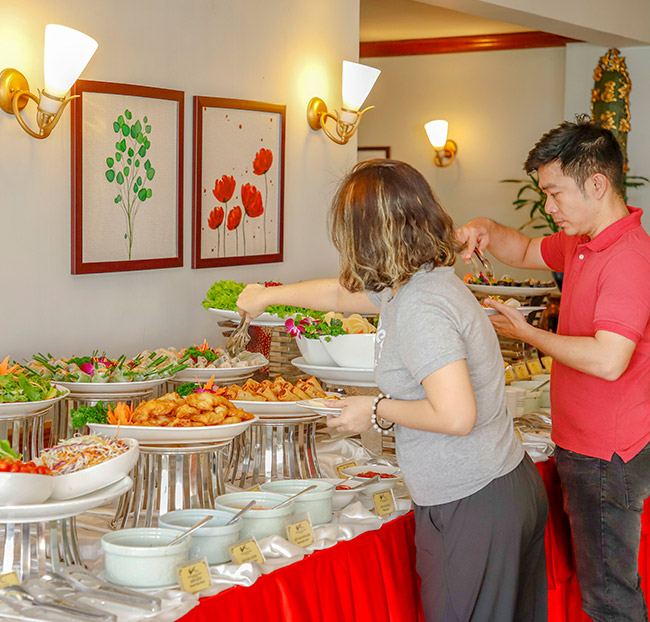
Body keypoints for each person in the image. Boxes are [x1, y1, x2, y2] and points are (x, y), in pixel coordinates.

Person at [237, 159, 548, 622]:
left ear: (366, 237)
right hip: (498, 485)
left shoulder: (420, 305)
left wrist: (376, 408)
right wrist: (267, 295)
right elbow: (340, 296)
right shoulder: (419, 281)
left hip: (473, 500)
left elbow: (456, 415)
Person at [457, 117, 650, 622]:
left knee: (610, 599)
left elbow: (609, 359)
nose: (549, 206)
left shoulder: (628, 257)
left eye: (555, 192)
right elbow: (522, 249)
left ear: (597, 184)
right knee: (602, 589)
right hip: (582, 443)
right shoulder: (582, 241)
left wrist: (526, 333)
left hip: (606, 453)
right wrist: (483, 228)